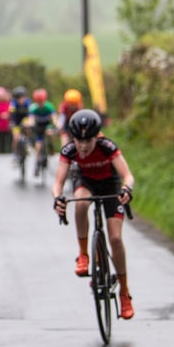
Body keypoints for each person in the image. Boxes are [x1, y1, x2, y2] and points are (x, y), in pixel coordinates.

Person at [51, 109, 135, 319]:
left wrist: (126, 189)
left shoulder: (108, 147)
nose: (83, 145)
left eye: (88, 140)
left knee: (115, 239)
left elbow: (127, 176)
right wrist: (58, 198)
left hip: (110, 185)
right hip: (86, 182)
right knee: (80, 204)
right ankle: (83, 255)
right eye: (79, 141)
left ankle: (124, 292)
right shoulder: (69, 150)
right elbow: (58, 183)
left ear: (97, 137)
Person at [26, 88, 57, 176]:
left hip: (47, 126)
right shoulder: (33, 108)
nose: (40, 103)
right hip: (38, 127)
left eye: (42, 101)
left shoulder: (49, 106)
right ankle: (37, 165)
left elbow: (54, 117)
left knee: (49, 133)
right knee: (38, 146)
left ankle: (51, 147)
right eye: (38, 102)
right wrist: (30, 124)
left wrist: (55, 124)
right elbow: (31, 119)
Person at [8, 86, 30, 162]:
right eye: (19, 98)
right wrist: (12, 123)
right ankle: (14, 153)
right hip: (16, 121)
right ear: (16, 98)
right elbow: (11, 114)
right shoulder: (13, 104)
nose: (21, 100)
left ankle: (28, 142)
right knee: (16, 138)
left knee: (27, 125)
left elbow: (31, 113)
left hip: (24, 119)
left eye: (23, 97)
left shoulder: (28, 102)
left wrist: (30, 122)